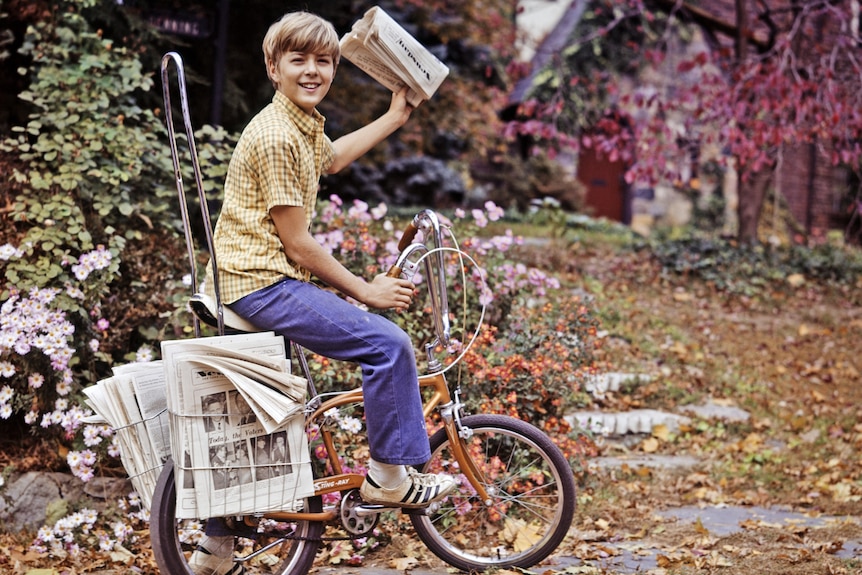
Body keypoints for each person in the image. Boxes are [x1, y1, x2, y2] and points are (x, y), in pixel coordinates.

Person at [191, 11, 454, 575]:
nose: (313, 70)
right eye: (298, 59)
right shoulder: (279, 135)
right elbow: (299, 243)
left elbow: (329, 159)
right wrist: (367, 292)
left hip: (246, 278)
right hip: (261, 282)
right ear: (273, 66)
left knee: (260, 417)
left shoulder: (298, 122)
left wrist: (393, 115)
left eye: (324, 60)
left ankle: (215, 548)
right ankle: (389, 479)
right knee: (387, 346)